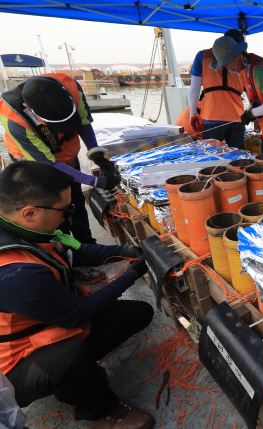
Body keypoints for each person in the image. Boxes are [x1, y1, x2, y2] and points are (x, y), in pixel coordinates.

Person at [0, 161, 154, 429]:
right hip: (12, 364)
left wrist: (128, 252)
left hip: (45, 323)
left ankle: (79, 376)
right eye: (65, 209)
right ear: (29, 212)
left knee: (137, 314)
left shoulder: (26, 229)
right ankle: (101, 413)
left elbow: (75, 250)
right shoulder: (15, 273)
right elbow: (77, 315)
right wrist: (131, 275)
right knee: (71, 357)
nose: (70, 215)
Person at [0, 74, 121, 245]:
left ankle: (86, 244)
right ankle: (65, 250)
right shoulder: (14, 119)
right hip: (34, 161)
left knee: (76, 199)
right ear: (29, 108)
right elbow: (48, 164)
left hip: (65, 152)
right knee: (54, 207)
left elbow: (84, 122)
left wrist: (97, 154)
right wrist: (95, 182)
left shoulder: (70, 86)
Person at [211, 32, 263, 154]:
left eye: (227, 63)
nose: (228, 68)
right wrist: (249, 112)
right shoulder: (245, 69)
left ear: (237, 56)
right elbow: (258, 97)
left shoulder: (259, 69)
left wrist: (252, 114)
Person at [188, 30, 246, 148]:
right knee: (238, 160)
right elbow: (250, 91)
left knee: (210, 158)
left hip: (212, 117)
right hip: (237, 116)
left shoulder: (203, 56)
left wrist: (192, 113)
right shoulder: (242, 58)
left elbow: (194, 89)